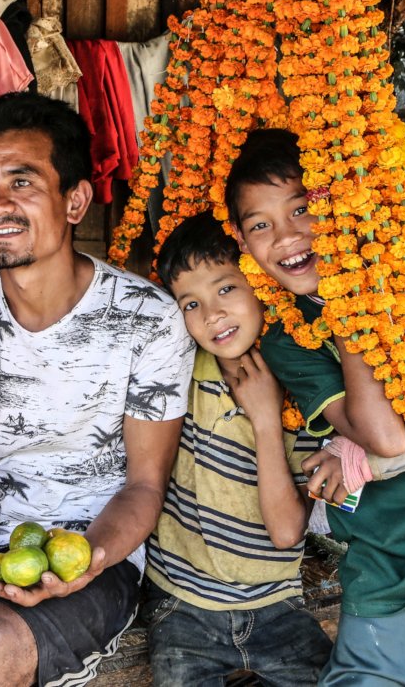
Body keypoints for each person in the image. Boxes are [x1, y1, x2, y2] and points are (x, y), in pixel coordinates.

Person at [0, 92, 193, 686]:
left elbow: (144, 487)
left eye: (22, 182)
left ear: (76, 200)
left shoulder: (147, 319)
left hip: (97, 555)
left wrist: (84, 565)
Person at [226, 128, 405, 684]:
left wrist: (359, 283)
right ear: (243, 245)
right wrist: (348, 306)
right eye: (260, 225)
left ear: (337, 211)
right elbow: (383, 437)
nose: (287, 237)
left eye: (302, 210)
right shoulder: (288, 337)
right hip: (388, 555)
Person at [142, 211, 332, 686]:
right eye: (190, 303)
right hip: (182, 604)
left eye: (226, 288)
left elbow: (288, 532)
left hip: (277, 605)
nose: (212, 315)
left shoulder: (301, 387)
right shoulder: (180, 367)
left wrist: (267, 420)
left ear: (258, 282)